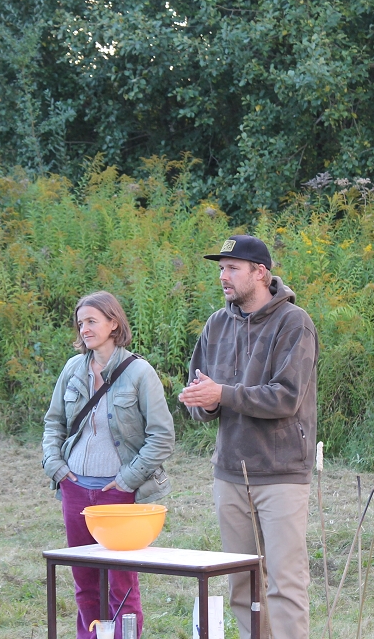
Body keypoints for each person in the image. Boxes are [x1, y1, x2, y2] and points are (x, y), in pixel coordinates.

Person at [179, 235, 319, 639]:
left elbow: (286, 397)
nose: (223, 276)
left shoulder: (294, 323)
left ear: (260, 272)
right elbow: (200, 397)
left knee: (285, 584)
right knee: (241, 583)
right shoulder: (216, 325)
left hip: (281, 472)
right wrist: (203, 403)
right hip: (229, 473)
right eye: (221, 268)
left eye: (232, 268)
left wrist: (222, 394)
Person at [42, 291, 175, 639]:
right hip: (75, 489)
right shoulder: (72, 368)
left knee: (121, 585)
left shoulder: (139, 372)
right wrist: (56, 467)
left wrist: (127, 480)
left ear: (113, 324)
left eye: (92, 321)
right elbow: (53, 423)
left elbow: (162, 436)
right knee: (85, 581)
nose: (84, 329)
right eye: (80, 322)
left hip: (118, 493)